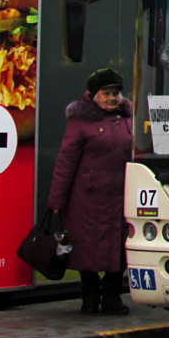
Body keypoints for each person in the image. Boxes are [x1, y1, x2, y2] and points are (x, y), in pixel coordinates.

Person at [48, 68, 132, 315]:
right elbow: (66, 161)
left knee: (118, 248)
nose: (112, 98)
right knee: (88, 248)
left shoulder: (129, 118)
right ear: (94, 94)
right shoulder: (80, 121)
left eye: (115, 93)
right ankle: (90, 297)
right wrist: (56, 199)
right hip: (88, 200)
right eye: (106, 93)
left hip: (121, 198)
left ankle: (112, 297)